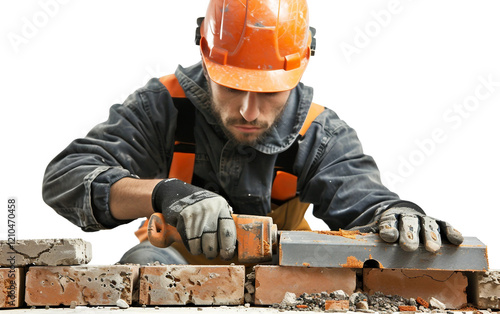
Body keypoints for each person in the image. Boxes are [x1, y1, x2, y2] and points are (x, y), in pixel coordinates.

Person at [42, 0, 463, 265]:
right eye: (231, 86)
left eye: (267, 93)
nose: (247, 110)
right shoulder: (163, 107)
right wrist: (163, 194)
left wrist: (398, 213)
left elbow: (367, 202)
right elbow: (66, 177)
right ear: (207, 59)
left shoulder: (320, 134)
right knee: (146, 260)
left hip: (282, 284)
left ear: (296, 72)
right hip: (169, 268)